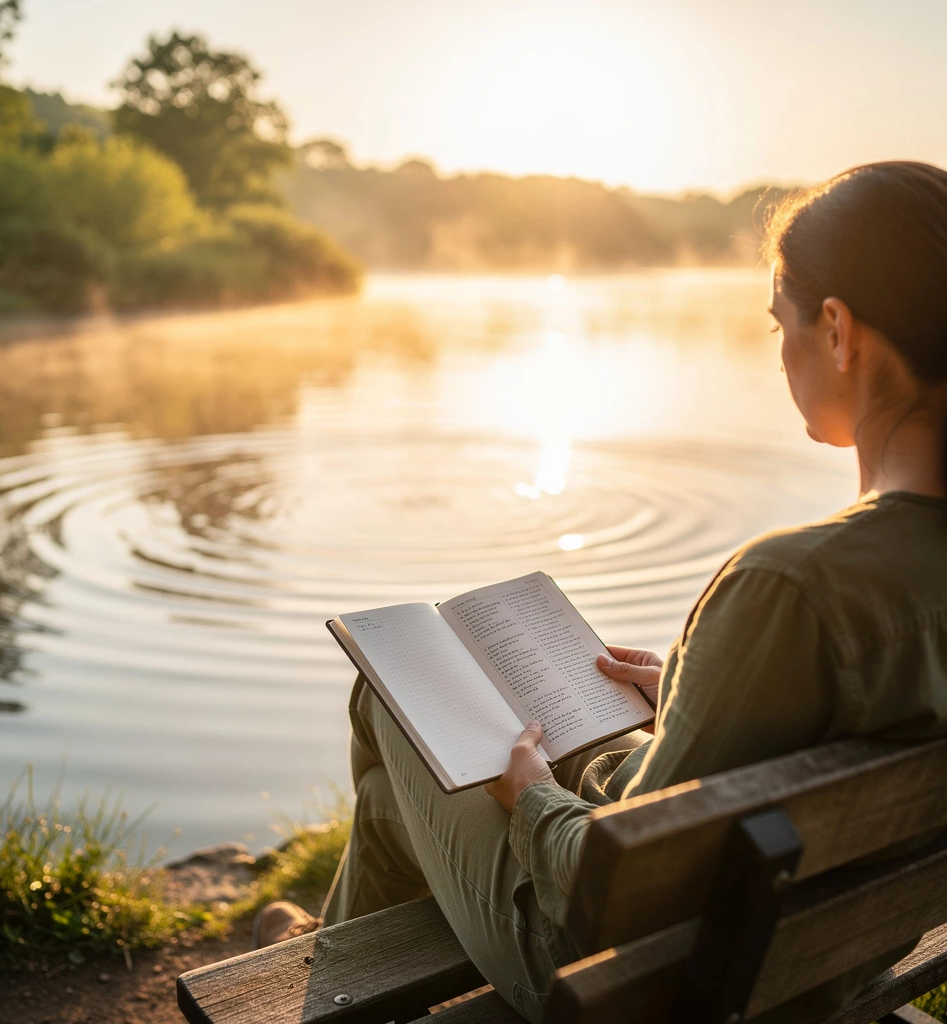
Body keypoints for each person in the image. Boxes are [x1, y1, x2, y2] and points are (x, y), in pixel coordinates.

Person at [254, 161, 947, 1023]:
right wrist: (691, 700)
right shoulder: (857, 585)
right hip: (831, 950)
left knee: (387, 702)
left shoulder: (788, 587)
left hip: (640, 983)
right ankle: (332, 957)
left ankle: (323, 978)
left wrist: (532, 795)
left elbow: (615, 891)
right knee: (397, 802)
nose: (781, 354)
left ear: (838, 331)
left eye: (782, 325)